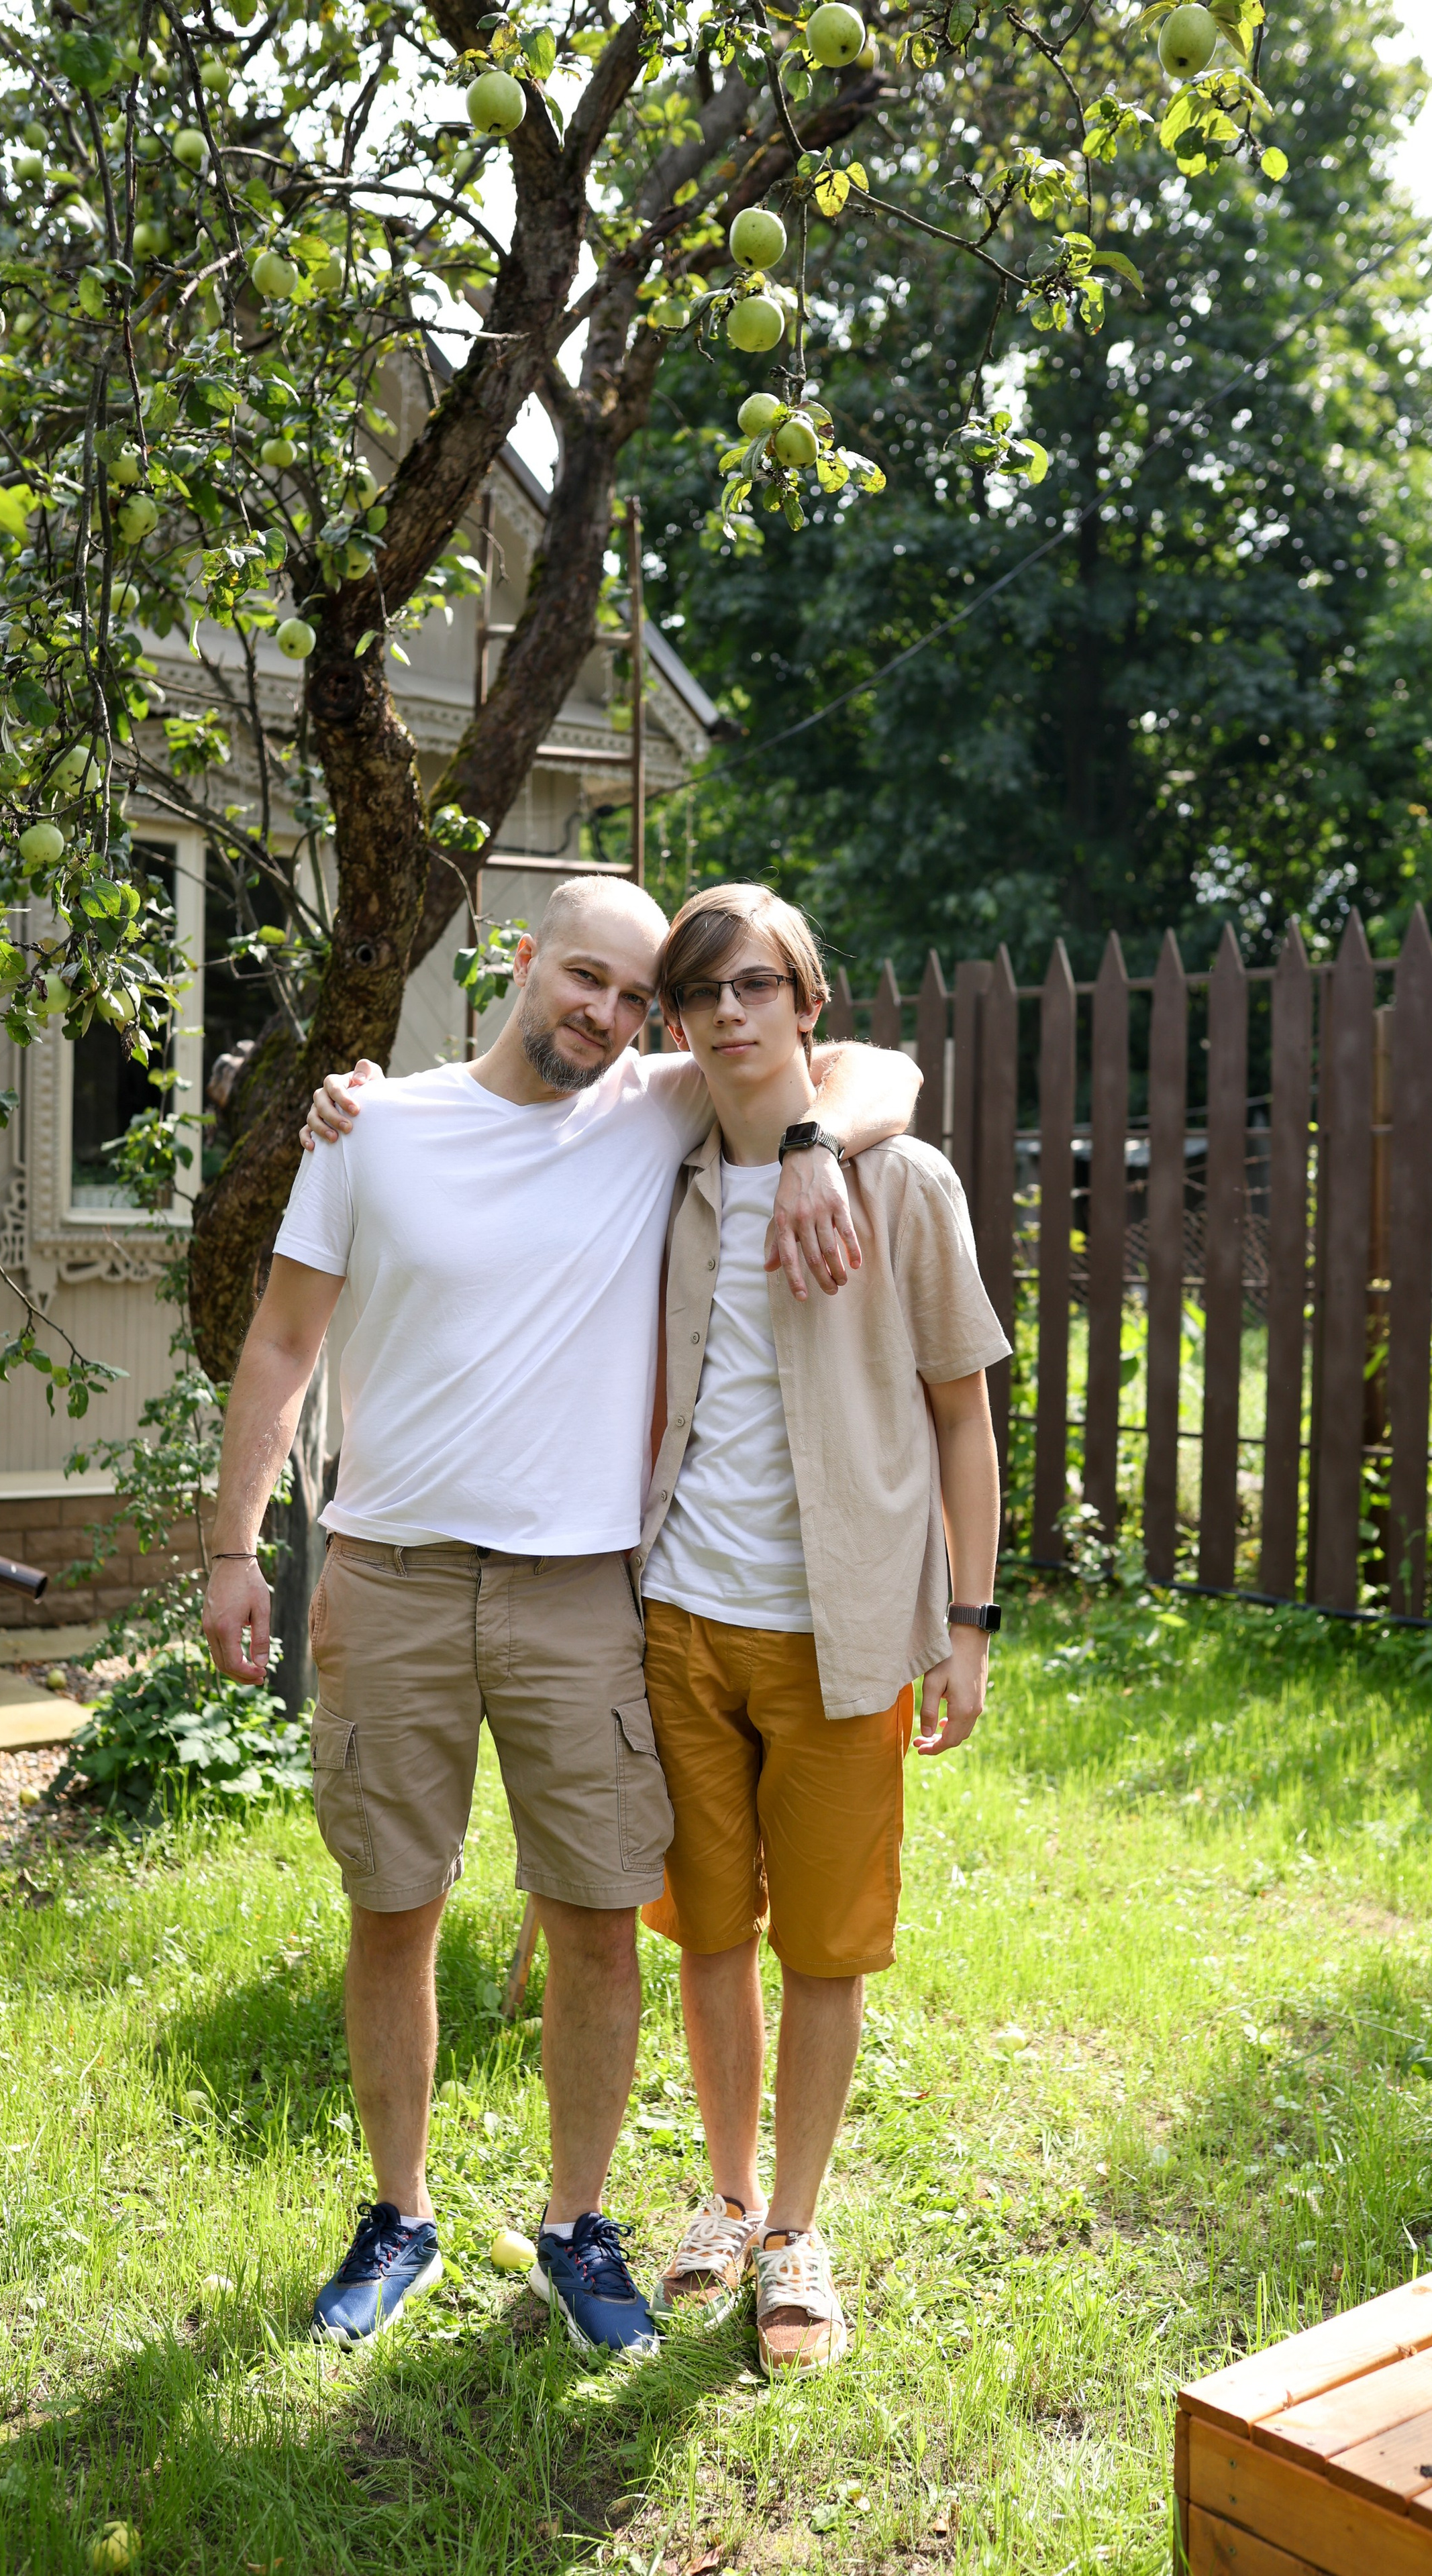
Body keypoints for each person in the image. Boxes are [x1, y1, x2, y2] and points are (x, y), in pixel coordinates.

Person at [200, 874, 921, 2356]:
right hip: (390, 1573)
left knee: (598, 1921)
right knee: (392, 1910)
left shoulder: (653, 1104)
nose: (607, 1014)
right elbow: (281, 1341)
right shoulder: (374, 1127)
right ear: (521, 961)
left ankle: (576, 2227)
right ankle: (397, 2218)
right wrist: (230, 1548)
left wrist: (806, 1148)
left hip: (582, 1590)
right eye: (584, 978)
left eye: (637, 998)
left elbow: (879, 1069)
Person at [635, 883, 1007, 2376]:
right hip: (678, 1620)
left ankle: (797, 2227)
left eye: (756, 986)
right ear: (674, 1021)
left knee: (826, 1947)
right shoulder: (656, 1171)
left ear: (807, 1004)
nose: (730, 1013)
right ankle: (727, 2199)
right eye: (701, 991)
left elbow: (962, 1414)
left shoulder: (900, 1183)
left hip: (840, 1630)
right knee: (709, 1933)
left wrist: (967, 1622)